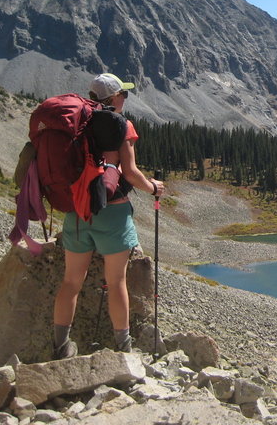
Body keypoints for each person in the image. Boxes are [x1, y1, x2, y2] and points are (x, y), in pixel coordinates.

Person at [52, 73, 164, 359]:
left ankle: (61, 346)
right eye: (123, 94)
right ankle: (123, 349)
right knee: (116, 282)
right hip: (112, 213)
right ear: (114, 98)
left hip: (78, 211)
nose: (125, 98)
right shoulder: (121, 125)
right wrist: (153, 187)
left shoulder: (78, 121)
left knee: (71, 281)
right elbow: (130, 172)